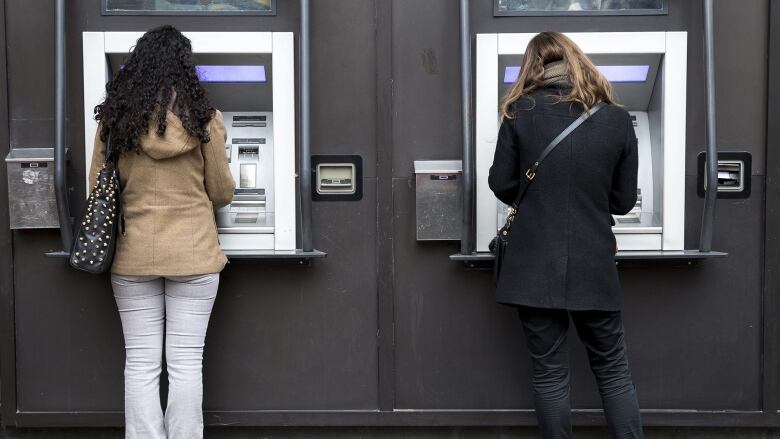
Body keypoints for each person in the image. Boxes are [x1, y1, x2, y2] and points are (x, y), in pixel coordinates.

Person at [488, 31, 642, 438]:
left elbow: (502, 184)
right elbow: (624, 201)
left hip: (534, 263)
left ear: (532, 67)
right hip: (594, 262)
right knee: (613, 371)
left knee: (549, 374)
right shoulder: (616, 118)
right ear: (578, 61)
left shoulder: (520, 111)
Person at [89, 25, 235, 439]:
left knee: (140, 363)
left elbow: (98, 191)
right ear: (185, 69)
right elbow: (221, 193)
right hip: (194, 256)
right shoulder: (206, 121)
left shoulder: (115, 124)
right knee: (186, 362)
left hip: (133, 257)